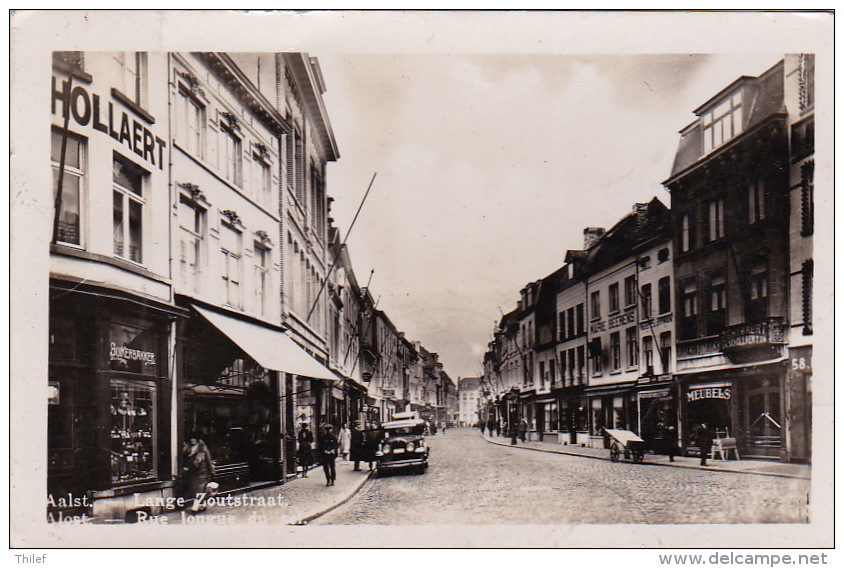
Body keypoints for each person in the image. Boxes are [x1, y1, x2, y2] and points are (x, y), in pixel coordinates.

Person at [183, 435, 215, 513]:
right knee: (197, 489)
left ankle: (195, 506)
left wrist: (211, 472)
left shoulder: (203, 449)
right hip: (193, 472)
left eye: (194, 438)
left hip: (202, 472)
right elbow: (185, 460)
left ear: (198, 439)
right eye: (191, 438)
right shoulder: (187, 449)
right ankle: (203, 505)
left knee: (199, 489)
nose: (192, 440)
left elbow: (208, 460)